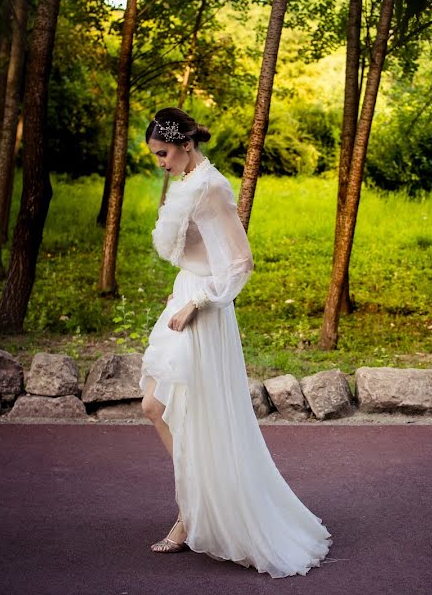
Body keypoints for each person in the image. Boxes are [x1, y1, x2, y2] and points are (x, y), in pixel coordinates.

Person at [139, 107, 332, 578]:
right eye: (155, 156)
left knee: (175, 409)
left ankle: (192, 514)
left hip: (203, 311)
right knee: (157, 406)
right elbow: (200, 252)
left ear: (185, 145)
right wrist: (183, 289)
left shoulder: (211, 187)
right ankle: (198, 503)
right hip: (184, 298)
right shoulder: (187, 182)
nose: (160, 163)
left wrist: (198, 301)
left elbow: (240, 261)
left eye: (163, 154)